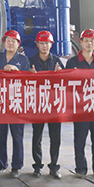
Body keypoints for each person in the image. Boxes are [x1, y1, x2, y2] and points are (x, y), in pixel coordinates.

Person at [65, 29, 94, 179]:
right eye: (86, 40)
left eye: (92, 41)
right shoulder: (72, 63)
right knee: (80, 140)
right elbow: (66, 84)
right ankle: (80, 169)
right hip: (80, 108)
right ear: (81, 42)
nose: (89, 43)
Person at [0, 30, 30, 178]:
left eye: (13, 41)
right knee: (0, 135)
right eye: (8, 41)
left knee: (17, 136)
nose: (10, 43)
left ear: (18, 44)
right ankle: (1, 164)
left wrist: (16, 70)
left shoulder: (23, 60)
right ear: (4, 43)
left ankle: (17, 166)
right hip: (1, 101)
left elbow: (27, 81)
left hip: (16, 102)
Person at [28, 30, 64, 179]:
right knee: (37, 137)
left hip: (54, 105)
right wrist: (29, 75)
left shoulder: (57, 61)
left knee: (55, 137)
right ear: (37, 44)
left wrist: (60, 73)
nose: (44, 46)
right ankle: (37, 166)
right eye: (41, 43)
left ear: (51, 45)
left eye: (47, 43)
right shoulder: (30, 61)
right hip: (38, 105)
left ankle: (54, 166)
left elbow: (66, 82)